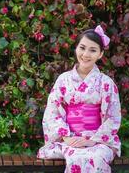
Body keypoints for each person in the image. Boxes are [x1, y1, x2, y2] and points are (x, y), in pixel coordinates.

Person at [37, 25, 121, 173]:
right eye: (82, 48)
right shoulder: (64, 80)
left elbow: (112, 117)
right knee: (75, 157)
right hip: (69, 140)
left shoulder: (106, 83)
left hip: (98, 141)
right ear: (76, 49)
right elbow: (53, 111)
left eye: (93, 50)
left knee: (95, 157)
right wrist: (66, 137)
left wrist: (92, 140)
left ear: (100, 54)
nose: (86, 54)